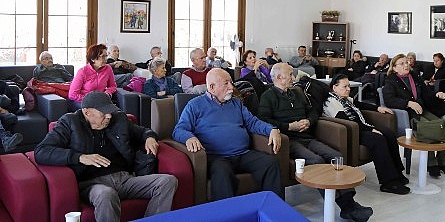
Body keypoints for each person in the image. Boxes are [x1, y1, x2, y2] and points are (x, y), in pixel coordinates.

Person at [34, 91, 178, 221]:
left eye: (110, 111)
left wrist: (150, 137)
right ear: (87, 112)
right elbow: (41, 151)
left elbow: (143, 131)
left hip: (125, 179)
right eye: (103, 112)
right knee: (106, 194)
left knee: (167, 181)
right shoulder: (70, 122)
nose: (108, 116)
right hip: (92, 183)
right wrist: (80, 157)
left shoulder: (118, 119)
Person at [259, 63, 373, 222]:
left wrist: (308, 121)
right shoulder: (268, 96)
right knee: (316, 160)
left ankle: (349, 203)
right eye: (290, 75)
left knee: (336, 156)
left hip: (307, 137)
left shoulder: (297, 93)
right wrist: (288, 126)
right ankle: (347, 207)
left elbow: (313, 112)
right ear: (278, 77)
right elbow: (264, 120)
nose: (294, 78)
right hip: (289, 140)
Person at [172, 68, 283, 201]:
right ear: (212, 87)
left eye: (231, 82)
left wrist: (272, 129)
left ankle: (273, 209)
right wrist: (189, 137)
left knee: (270, 163)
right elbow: (179, 130)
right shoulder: (195, 105)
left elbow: (253, 123)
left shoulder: (236, 103)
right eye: (226, 83)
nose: (232, 87)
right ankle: (228, 215)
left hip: (242, 154)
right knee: (222, 171)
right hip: (216, 157)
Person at [324, 74, 409, 195]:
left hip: (360, 127)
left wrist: (378, 108)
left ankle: (397, 173)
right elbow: (347, 122)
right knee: (378, 139)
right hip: (350, 132)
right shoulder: (331, 102)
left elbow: (360, 104)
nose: (348, 89)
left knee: (389, 134)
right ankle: (388, 182)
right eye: (345, 87)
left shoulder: (345, 99)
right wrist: (370, 129)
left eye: (349, 86)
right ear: (334, 88)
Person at [382, 54, 445, 179]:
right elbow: (389, 100)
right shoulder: (390, 81)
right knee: (430, 128)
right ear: (394, 68)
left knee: (442, 125)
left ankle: (443, 162)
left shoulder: (414, 76)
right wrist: (408, 103)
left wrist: (437, 94)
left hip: (423, 110)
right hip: (407, 114)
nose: (406, 65)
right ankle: (432, 164)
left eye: (407, 62)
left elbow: (426, 92)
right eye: (402, 63)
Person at [69, 44, 117, 111]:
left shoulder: (108, 68)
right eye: (102, 56)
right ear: (93, 59)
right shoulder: (82, 71)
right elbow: (72, 94)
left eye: (106, 56)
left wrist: (108, 93)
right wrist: (92, 99)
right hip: (83, 101)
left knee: (116, 113)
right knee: (99, 112)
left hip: (101, 101)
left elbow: (112, 86)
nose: (106, 59)